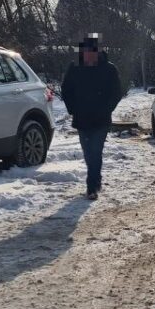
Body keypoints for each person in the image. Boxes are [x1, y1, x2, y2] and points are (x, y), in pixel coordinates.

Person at [60, 36, 124, 200]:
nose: (88, 55)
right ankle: (95, 178)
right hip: (82, 118)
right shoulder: (75, 68)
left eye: (91, 51)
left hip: (101, 119)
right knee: (88, 153)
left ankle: (92, 186)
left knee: (96, 151)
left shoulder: (109, 69)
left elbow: (116, 92)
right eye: (85, 51)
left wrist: (107, 109)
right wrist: (73, 108)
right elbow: (66, 90)